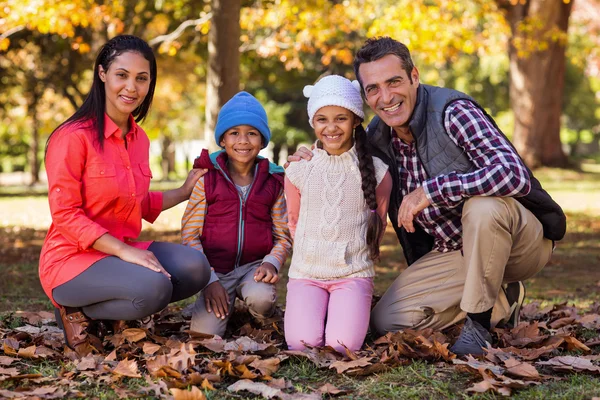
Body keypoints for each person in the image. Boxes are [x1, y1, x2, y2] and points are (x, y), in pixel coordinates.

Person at [289, 37, 566, 356]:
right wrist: (309, 154)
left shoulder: (452, 111)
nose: (386, 96)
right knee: (387, 319)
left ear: (414, 77)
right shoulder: (380, 134)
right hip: (456, 252)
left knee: (483, 208)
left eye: (393, 81)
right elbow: (343, 151)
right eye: (373, 89)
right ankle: (503, 300)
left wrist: (433, 190)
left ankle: (478, 325)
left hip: (520, 243)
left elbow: (512, 173)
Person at [40, 35, 211, 356]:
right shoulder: (72, 138)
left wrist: (185, 190)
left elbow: (139, 202)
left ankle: (116, 309)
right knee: (155, 287)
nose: (131, 87)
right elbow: (65, 216)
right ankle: (73, 310)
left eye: (141, 78)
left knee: (195, 268)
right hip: (71, 259)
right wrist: (123, 251)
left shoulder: (140, 139)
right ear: (102, 74)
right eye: (122, 75)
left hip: (122, 251)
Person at [284, 75, 392, 353]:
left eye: (340, 118)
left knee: (342, 346)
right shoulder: (299, 169)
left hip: (352, 273)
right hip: (307, 272)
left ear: (356, 120)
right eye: (322, 119)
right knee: (301, 344)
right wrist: (314, 252)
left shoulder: (378, 172)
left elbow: (377, 225)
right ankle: (316, 309)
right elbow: (293, 221)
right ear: (312, 122)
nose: (331, 128)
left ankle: (346, 311)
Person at [182, 91, 292, 337]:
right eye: (234, 133)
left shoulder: (273, 183)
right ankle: (218, 304)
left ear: (262, 141)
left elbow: (283, 235)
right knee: (205, 337)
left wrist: (271, 262)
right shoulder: (206, 179)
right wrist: (208, 281)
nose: (243, 140)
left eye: (252, 133)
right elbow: (190, 235)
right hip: (215, 270)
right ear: (222, 139)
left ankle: (264, 315)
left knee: (261, 298)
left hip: (254, 267)